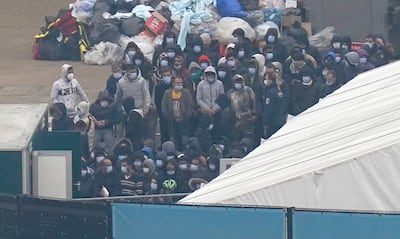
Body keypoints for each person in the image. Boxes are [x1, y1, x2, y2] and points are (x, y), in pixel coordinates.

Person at [161, 76, 194, 152]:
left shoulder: (186, 92)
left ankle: (185, 155)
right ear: (173, 84)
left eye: (181, 83)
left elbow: (190, 105)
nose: (180, 84)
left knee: (184, 140)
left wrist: (186, 116)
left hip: (184, 121)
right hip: (171, 121)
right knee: (173, 139)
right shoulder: (167, 93)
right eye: (178, 83)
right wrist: (168, 116)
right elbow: (164, 106)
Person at [227, 74, 257, 142]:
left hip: (248, 120)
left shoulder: (248, 90)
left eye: (239, 82)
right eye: (236, 82)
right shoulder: (229, 93)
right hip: (236, 122)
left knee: (248, 141)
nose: (238, 83)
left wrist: (254, 115)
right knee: (236, 140)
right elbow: (229, 108)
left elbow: (254, 103)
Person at [258, 71, 287, 139]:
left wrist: (265, 122)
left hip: (272, 123)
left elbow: (268, 109)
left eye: (266, 79)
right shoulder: (279, 91)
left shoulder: (270, 92)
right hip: (280, 120)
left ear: (270, 80)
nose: (265, 81)